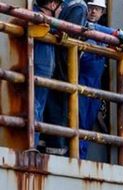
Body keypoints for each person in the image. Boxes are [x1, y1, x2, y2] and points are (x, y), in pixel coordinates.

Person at [78, 0, 123, 157]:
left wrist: (115, 38)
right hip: (79, 82)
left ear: (103, 13)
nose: (93, 12)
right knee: (78, 121)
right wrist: (115, 33)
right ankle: (75, 157)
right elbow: (88, 27)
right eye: (91, 8)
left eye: (97, 9)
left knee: (87, 124)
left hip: (94, 86)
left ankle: (82, 157)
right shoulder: (80, 24)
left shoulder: (102, 37)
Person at [40, 0, 87, 155]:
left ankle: (56, 149)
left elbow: (69, 33)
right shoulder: (69, 4)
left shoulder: (78, 7)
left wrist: (51, 27)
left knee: (59, 106)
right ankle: (45, 143)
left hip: (63, 66)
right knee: (50, 105)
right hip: (55, 62)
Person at [31, 0, 61, 150]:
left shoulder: (34, 13)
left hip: (41, 66)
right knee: (35, 105)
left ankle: (33, 143)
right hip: (39, 67)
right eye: (60, 6)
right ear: (53, 5)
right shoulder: (40, 17)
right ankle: (31, 144)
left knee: (37, 106)